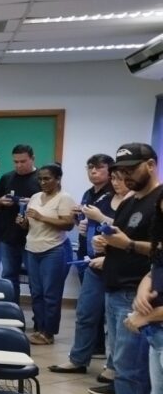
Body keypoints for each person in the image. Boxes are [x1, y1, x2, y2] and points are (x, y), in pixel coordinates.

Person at [86, 143, 161, 394]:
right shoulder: (131, 199)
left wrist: (127, 245)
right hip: (116, 287)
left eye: (132, 169)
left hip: (137, 293)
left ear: (151, 165)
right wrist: (105, 242)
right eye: (120, 170)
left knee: (130, 370)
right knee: (127, 366)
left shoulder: (159, 200)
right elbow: (120, 236)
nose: (125, 175)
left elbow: (156, 249)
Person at [50, 155, 121, 378]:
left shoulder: (131, 200)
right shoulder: (94, 194)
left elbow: (127, 231)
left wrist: (100, 219)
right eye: (90, 168)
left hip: (118, 264)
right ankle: (78, 359)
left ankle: (113, 369)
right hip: (92, 260)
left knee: (115, 320)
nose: (93, 172)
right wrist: (83, 224)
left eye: (99, 168)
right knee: (85, 313)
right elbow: (91, 223)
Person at [16, 164, 75, 345]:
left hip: (53, 249)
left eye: (47, 178)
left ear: (58, 179)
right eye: (40, 179)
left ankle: (48, 333)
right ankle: (39, 328)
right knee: (36, 292)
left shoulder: (64, 198)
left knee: (51, 294)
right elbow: (30, 224)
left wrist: (41, 216)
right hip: (32, 248)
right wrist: (23, 222)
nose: (42, 182)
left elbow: (68, 224)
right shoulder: (35, 197)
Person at [126, 199, 163, 394]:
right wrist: (143, 289)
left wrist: (146, 317)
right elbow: (154, 271)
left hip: (155, 326)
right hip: (156, 336)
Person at [0, 144, 40, 305]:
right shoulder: (6, 178)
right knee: (8, 277)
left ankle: (38, 317)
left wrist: (32, 203)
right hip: (8, 237)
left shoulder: (42, 178)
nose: (19, 165)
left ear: (33, 159)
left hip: (34, 239)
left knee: (35, 280)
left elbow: (50, 206)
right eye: (16, 162)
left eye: (23, 161)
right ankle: (10, 312)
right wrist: (0, 201)